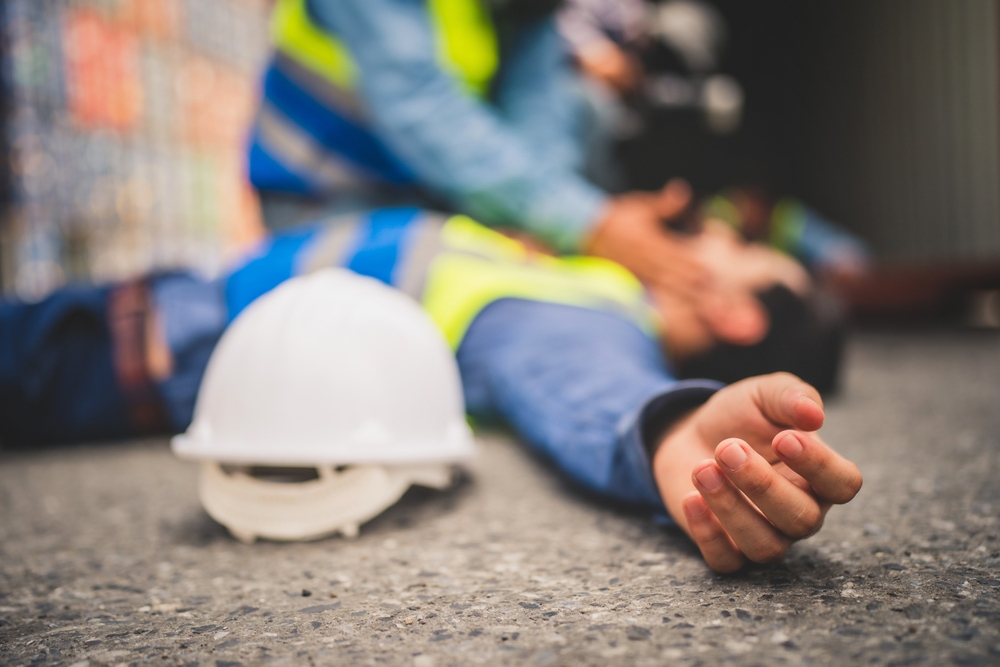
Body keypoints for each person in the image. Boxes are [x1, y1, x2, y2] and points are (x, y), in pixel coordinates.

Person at [0, 207, 860, 573]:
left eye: (733, 245)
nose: (708, 229)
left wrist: (668, 428)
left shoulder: (592, 314)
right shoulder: (584, 272)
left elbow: (577, 381)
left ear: (736, 312)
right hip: (163, 306)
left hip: (142, 347)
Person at [249, 0, 709, 300]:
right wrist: (587, 222)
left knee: (583, 107)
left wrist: (547, 226)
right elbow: (419, 102)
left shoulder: (529, 12)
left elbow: (539, 104)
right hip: (322, 200)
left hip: (431, 193)